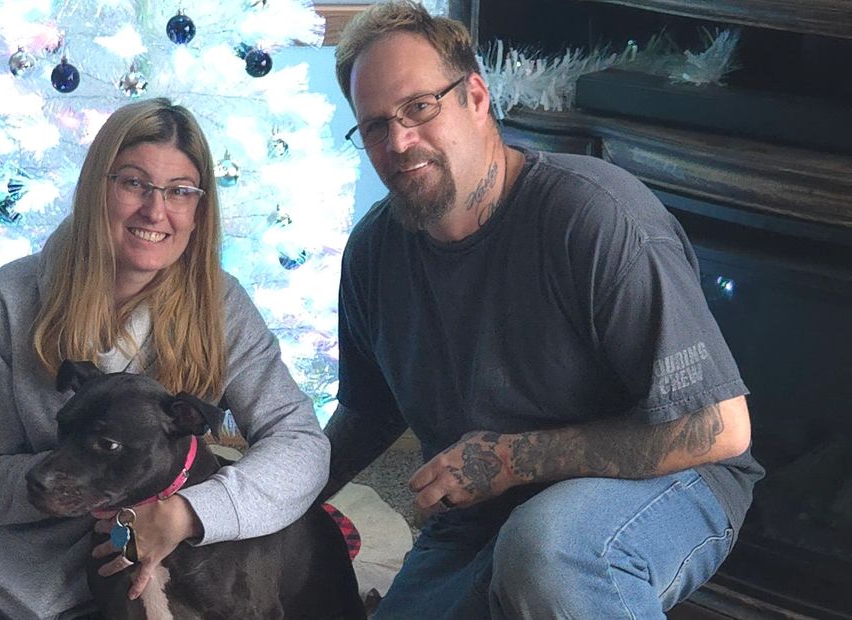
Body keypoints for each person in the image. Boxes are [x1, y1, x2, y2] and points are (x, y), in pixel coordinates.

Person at [321, 2, 765, 618]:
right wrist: (259, 506)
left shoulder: (594, 216)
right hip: (482, 515)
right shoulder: (373, 253)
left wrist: (509, 458)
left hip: (666, 481)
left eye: (419, 108)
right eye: (374, 126)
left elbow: (721, 426)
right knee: (526, 549)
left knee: (550, 550)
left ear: (476, 97)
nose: (399, 141)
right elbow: (366, 413)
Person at [0, 98, 330, 619]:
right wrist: (76, 486)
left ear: (198, 209)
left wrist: (188, 513)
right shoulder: (9, 298)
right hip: (21, 561)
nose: (155, 211)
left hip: (174, 552)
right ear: (95, 190)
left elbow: (300, 441)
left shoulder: (220, 304)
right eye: (134, 183)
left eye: (179, 191)